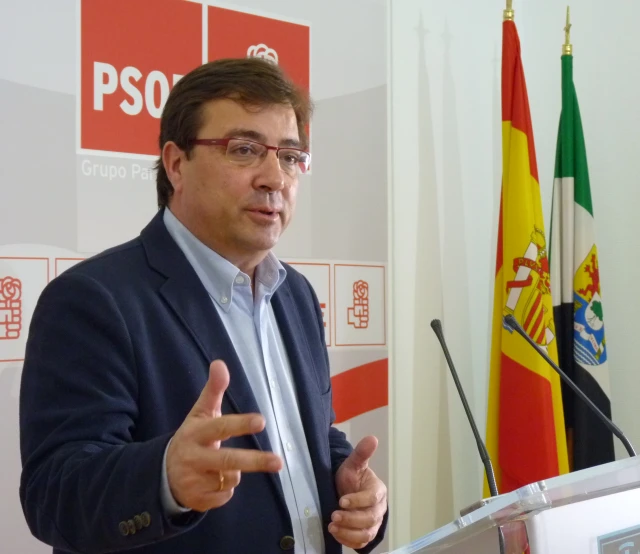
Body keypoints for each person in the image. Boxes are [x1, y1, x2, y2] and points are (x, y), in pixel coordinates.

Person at [18, 57, 388, 554]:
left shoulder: (294, 293)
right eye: (244, 149)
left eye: (292, 157)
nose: (274, 178)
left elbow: (300, 437)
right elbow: (53, 495)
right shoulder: (94, 300)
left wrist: (349, 484)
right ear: (176, 164)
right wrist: (165, 478)